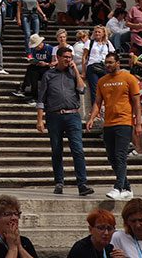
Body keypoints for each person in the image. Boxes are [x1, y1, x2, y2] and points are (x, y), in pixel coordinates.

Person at [35, 45, 92, 196]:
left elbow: (82, 90)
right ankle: (59, 182)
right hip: (54, 116)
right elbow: (41, 99)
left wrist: (77, 73)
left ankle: (82, 184)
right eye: (65, 57)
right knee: (57, 150)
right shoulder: (48, 75)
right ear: (58, 58)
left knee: (78, 150)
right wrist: (40, 120)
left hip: (72, 115)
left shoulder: (73, 73)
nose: (68, 60)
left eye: (70, 57)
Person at [86, 51, 141, 200]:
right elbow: (98, 102)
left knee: (120, 155)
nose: (108, 65)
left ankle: (118, 187)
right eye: (106, 62)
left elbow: (136, 103)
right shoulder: (102, 81)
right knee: (112, 157)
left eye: (111, 62)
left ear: (118, 63)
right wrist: (92, 118)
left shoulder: (129, 78)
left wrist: (138, 123)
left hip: (124, 122)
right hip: (108, 123)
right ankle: (127, 187)